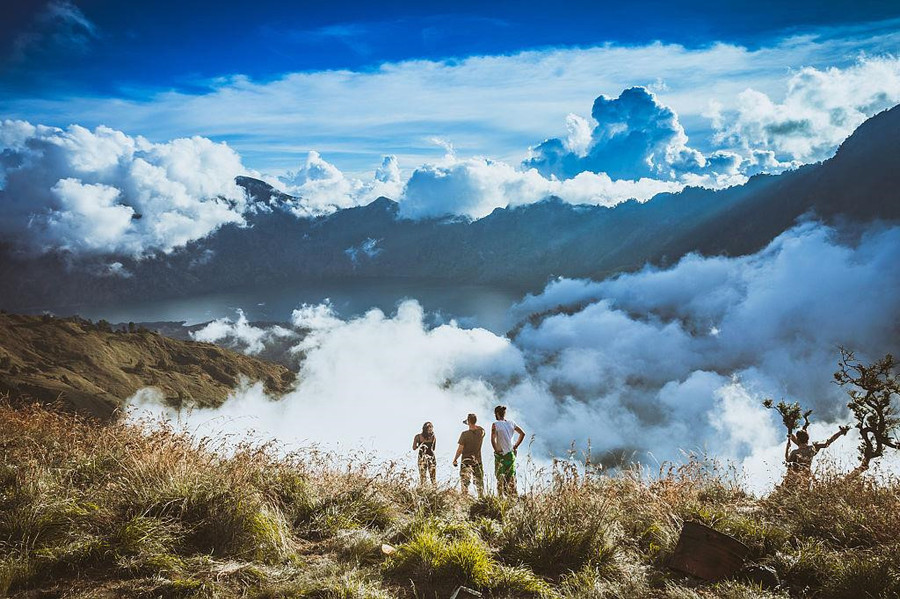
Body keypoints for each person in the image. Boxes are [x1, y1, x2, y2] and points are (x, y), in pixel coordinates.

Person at [784, 425, 850, 486]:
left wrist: (787, 448)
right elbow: (827, 443)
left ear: (798, 440)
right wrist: (840, 433)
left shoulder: (795, 452)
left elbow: (787, 459)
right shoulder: (812, 448)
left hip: (794, 477)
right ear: (807, 439)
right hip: (807, 475)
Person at [491, 405, 525, 497]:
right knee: (511, 477)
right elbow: (522, 433)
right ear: (504, 414)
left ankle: (500, 498)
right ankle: (512, 497)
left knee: (500, 478)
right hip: (510, 454)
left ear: (497, 414)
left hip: (500, 455)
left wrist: (496, 450)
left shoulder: (495, 424)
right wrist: (515, 446)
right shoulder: (512, 423)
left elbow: (492, 439)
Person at [453, 413, 485, 497]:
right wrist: (472, 424)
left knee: (465, 484)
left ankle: (465, 500)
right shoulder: (480, 432)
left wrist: (455, 459)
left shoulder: (464, 434)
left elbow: (460, 450)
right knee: (479, 484)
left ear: (468, 421)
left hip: (466, 462)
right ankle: (481, 500)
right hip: (478, 461)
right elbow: (482, 429)